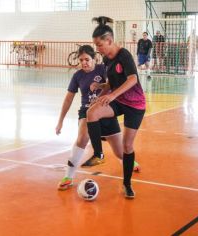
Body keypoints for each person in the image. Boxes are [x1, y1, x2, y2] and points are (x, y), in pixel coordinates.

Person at [56, 45, 141, 190]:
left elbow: (111, 85)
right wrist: (60, 121)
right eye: (81, 60)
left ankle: (127, 161)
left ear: (94, 58)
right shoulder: (77, 76)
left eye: (87, 59)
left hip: (105, 109)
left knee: (120, 151)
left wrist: (101, 88)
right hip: (87, 111)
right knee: (82, 137)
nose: (84, 63)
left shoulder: (104, 68)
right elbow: (68, 99)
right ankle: (68, 176)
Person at [83, 16, 146, 198]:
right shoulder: (107, 59)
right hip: (119, 100)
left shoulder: (123, 55)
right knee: (92, 112)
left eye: (99, 45)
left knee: (127, 146)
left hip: (135, 105)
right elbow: (112, 82)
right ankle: (98, 154)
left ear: (109, 40)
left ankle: (127, 184)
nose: (98, 49)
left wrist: (111, 96)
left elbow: (132, 79)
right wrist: (103, 90)